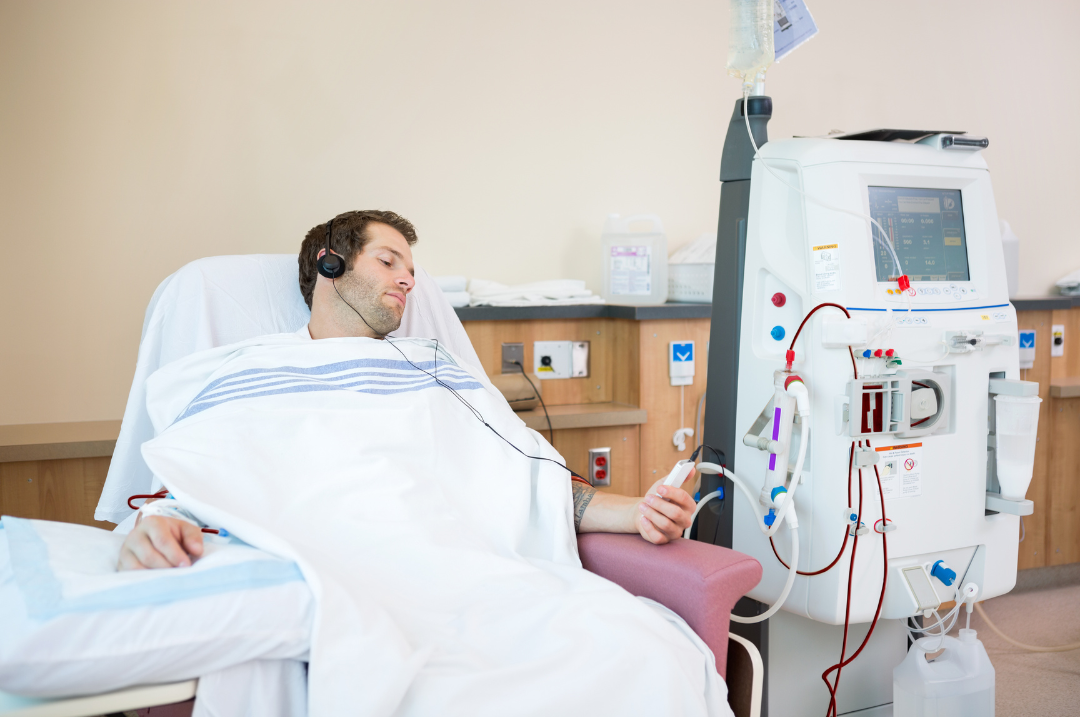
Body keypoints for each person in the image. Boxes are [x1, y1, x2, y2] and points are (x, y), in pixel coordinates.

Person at [117, 210, 696, 571]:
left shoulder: (433, 370)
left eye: (412, 270)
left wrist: (638, 513)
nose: (408, 280)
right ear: (330, 263)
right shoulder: (253, 369)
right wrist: (162, 522)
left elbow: (523, 474)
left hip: (450, 567)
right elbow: (201, 471)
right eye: (389, 260)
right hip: (326, 565)